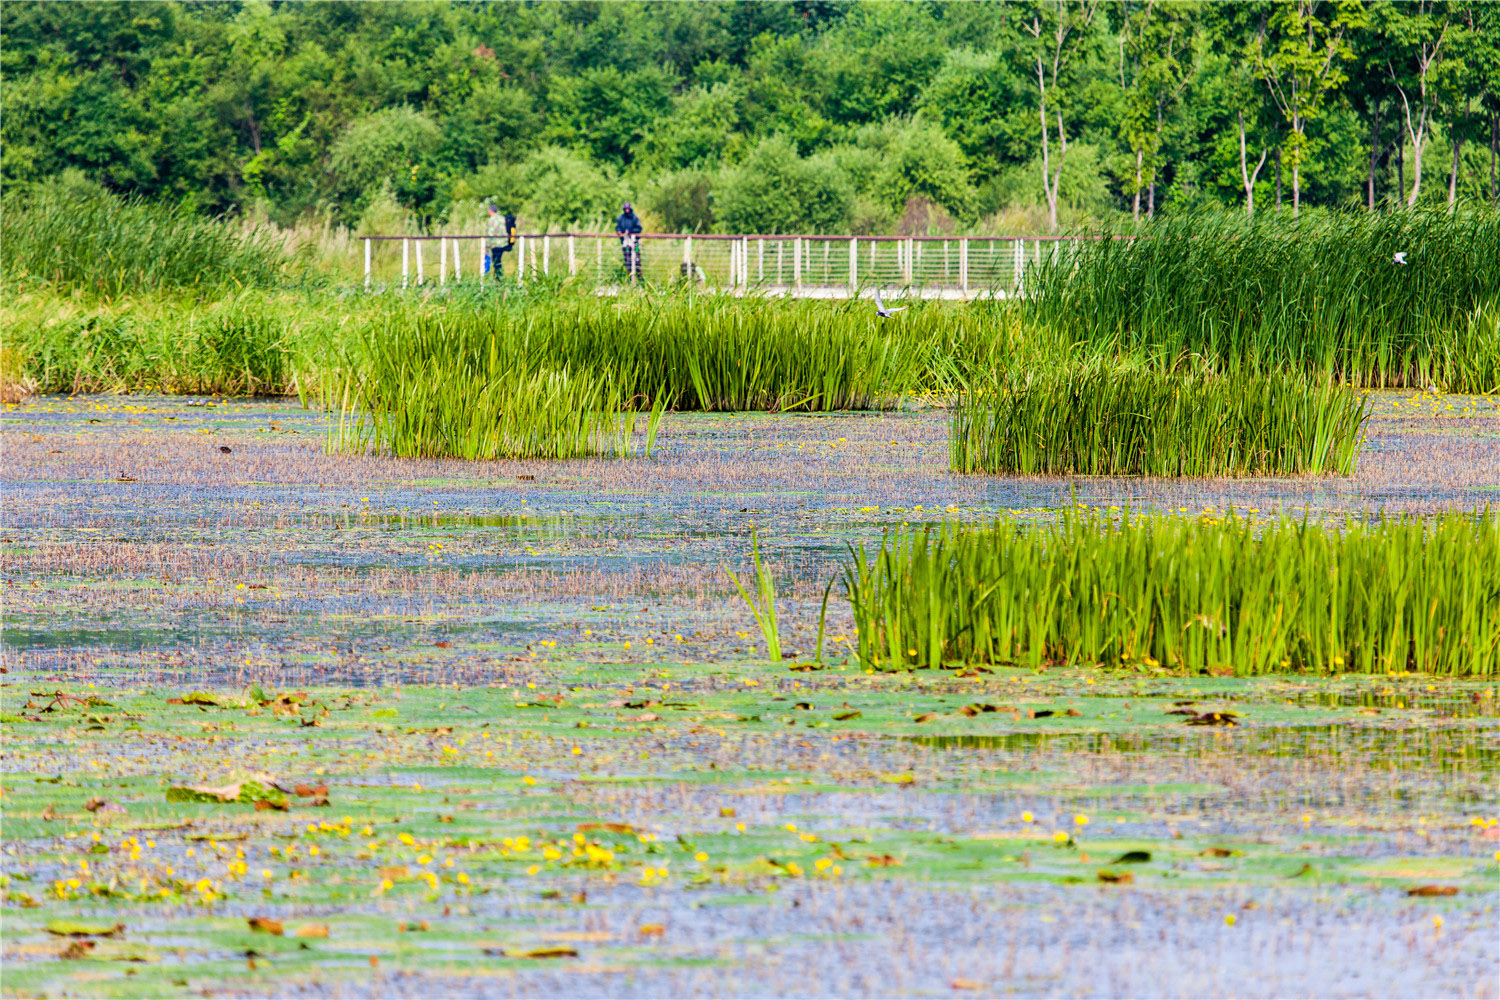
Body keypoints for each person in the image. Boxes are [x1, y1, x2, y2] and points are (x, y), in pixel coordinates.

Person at [485, 204, 515, 278]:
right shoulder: (502, 218)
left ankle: (498, 277)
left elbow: (490, 233)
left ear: (490, 211)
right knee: (498, 260)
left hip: (495, 244)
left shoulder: (491, 220)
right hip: (504, 243)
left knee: (496, 262)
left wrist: (487, 245)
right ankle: (498, 277)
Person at [615, 201, 642, 280]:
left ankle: (640, 279)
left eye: (628, 208)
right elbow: (618, 227)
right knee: (627, 259)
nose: (627, 210)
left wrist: (630, 231)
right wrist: (619, 231)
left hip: (635, 243)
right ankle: (630, 278)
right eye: (625, 209)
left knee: (637, 260)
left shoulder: (635, 218)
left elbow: (639, 228)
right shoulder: (621, 218)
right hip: (626, 243)